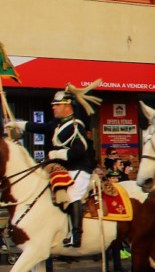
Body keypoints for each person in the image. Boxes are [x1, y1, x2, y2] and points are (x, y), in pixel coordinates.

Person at [21, 82, 101, 248]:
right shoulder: (57, 124)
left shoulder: (75, 126)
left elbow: (79, 150)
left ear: (67, 107)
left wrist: (56, 154)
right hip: (66, 168)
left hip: (80, 168)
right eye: (54, 105)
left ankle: (76, 235)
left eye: (57, 105)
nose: (54, 108)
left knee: (73, 195)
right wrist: (18, 125)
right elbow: (39, 127)